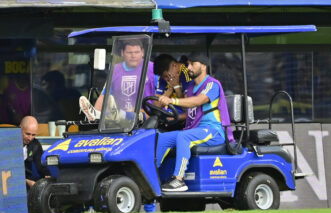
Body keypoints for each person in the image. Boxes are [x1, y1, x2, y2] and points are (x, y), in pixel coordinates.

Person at [156, 53, 234, 191]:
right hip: (195, 130)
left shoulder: (212, 84)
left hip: (214, 132)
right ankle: (151, 175)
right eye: (188, 64)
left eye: (192, 64)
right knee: (162, 138)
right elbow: (186, 108)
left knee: (183, 136)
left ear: (203, 66)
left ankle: (178, 180)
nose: (188, 67)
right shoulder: (190, 88)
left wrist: (172, 100)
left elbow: (199, 100)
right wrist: (174, 88)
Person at [80, 39, 155, 122]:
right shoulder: (115, 70)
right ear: (122, 53)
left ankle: (114, 114)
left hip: (147, 117)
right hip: (120, 124)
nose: (133, 56)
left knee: (139, 114)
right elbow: (104, 97)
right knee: (110, 114)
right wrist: (94, 120)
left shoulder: (152, 68)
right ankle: (97, 115)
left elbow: (161, 94)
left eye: (137, 52)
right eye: (129, 52)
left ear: (143, 52)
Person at [153, 54, 192, 129]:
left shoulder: (187, 74)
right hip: (170, 115)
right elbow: (156, 105)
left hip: (185, 121)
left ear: (174, 65)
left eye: (166, 76)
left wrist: (177, 87)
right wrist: (170, 88)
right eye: (163, 77)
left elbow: (187, 107)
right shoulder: (164, 78)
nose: (166, 79)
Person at [20, 116, 50, 190]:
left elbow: (41, 166)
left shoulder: (35, 144)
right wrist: (26, 181)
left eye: (33, 135)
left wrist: (47, 176)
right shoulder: (7, 143)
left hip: (27, 182)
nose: (30, 138)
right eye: (27, 134)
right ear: (20, 128)